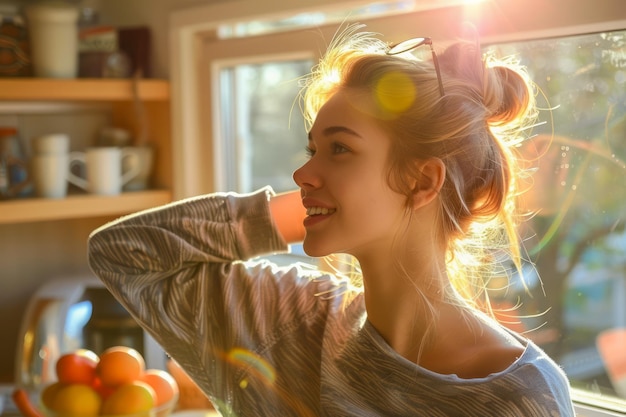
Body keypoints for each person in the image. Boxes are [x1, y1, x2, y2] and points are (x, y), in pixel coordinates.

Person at [88, 24, 575, 416]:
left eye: (339, 149)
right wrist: (318, 205)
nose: (300, 174)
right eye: (312, 149)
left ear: (423, 182)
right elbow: (123, 252)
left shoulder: (518, 399)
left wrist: (329, 203)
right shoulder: (287, 321)